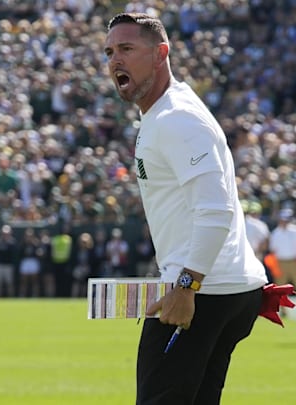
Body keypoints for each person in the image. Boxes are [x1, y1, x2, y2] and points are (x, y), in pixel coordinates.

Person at [105, 13, 268, 404]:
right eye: (109, 52)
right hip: (225, 287)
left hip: (204, 291)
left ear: (161, 53)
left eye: (127, 49)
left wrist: (186, 285)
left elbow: (215, 211)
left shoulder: (176, 117)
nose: (115, 61)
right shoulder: (166, 111)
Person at [269, 208, 296, 286]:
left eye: (286, 220)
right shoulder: (275, 233)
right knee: (280, 284)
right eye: (282, 220)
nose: (284, 222)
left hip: (294, 260)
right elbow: (272, 249)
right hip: (280, 262)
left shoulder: (294, 230)